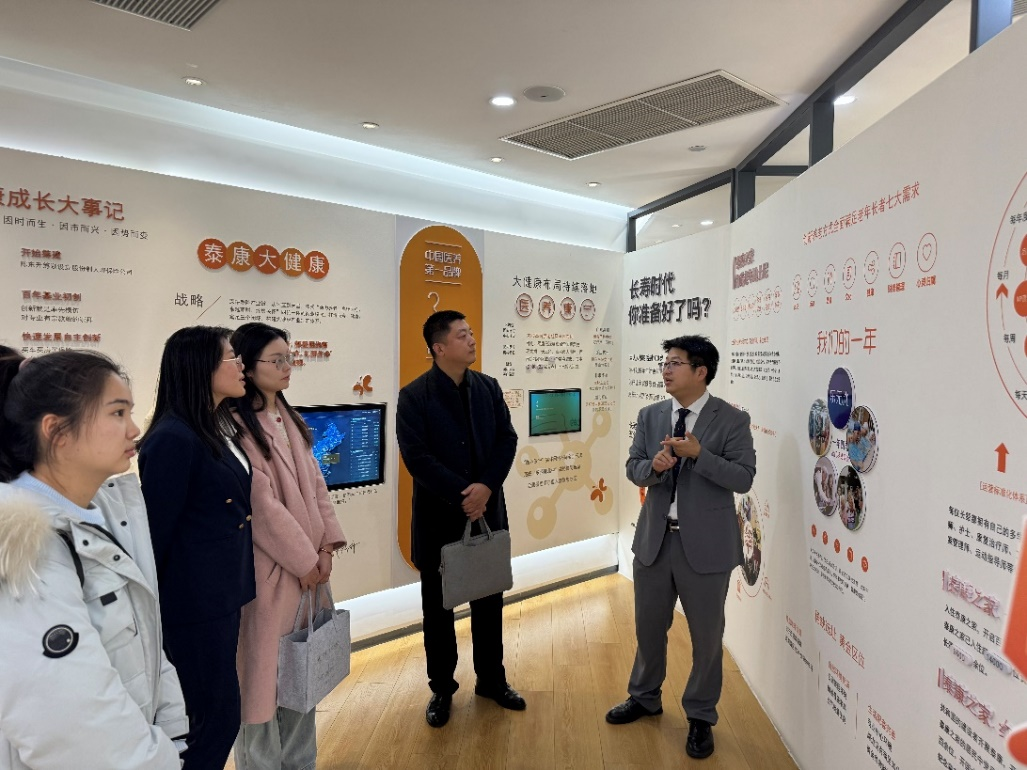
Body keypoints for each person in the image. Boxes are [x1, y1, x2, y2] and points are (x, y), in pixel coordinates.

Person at [0, 347, 188, 769]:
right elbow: (70, 724)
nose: (134, 429)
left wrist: (169, 733)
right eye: (117, 413)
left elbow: (146, 642)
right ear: (57, 431)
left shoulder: (105, 514)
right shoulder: (24, 547)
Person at [606, 335, 756, 761]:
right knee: (648, 627)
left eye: (675, 363)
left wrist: (700, 454)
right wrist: (652, 467)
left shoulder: (731, 420)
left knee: (706, 638)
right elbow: (634, 468)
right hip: (654, 541)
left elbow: (743, 478)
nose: (666, 370)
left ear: (700, 371)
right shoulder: (651, 415)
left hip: (706, 547)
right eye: (665, 362)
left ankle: (701, 715)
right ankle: (644, 696)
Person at [396, 310, 523, 728]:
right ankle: (441, 689)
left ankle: (492, 680)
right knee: (438, 611)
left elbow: (506, 439)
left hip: (487, 514)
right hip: (438, 520)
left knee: (489, 601)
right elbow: (417, 459)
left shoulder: (488, 387)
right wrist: (464, 494)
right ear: (439, 347)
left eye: (471, 333)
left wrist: (485, 487)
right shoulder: (414, 396)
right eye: (462, 335)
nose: (472, 340)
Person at [230, 322, 347, 770]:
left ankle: (301, 763)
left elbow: (317, 486)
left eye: (288, 358)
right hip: (271, 574)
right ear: (247, 365)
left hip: (308, 571)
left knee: (302, 677)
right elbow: (262, 507)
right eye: (276, 360)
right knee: (261, 688)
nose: (287, 367)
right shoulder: (234, 426)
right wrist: (304, 559)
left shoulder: (287, 416)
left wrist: (326, 547)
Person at [138, 326, 256, 770]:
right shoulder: (173, 437)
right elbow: (156, 534)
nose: (241, 365)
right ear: (200, 366)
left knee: (216, 714)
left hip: (220, 594)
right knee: (213, 719)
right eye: (231, 357)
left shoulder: (213, 426)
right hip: (192, 605)